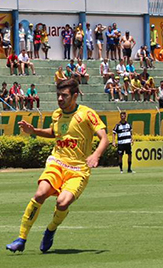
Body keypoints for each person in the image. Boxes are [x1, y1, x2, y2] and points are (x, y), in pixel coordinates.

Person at [6, 79, 109, 253]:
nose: (60, 99)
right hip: (57, 162)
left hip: (78, 169)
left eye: (64, 95)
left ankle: (51, 229)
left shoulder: (87, 114)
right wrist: (34, 131)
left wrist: (96, 155)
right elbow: (54, 132)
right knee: (40, 193)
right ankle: (21, 238)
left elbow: (104, 138)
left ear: (75, 96)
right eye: (58, 95)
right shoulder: (57, 114)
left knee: (63, 202)